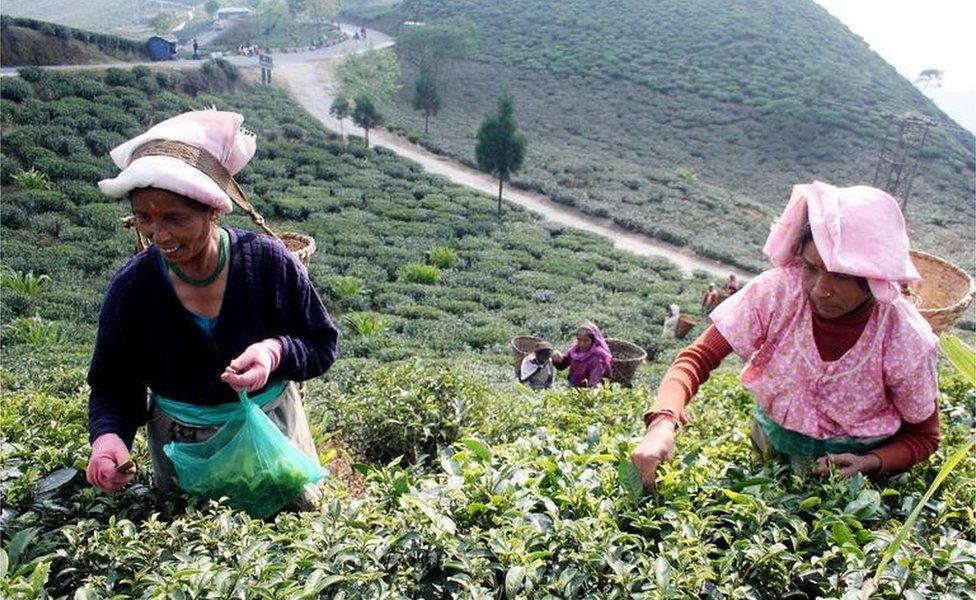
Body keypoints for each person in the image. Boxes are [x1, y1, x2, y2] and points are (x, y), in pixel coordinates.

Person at [85, 110, 339, 510]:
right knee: (197, 555)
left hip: (271, 432)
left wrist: (273, 353)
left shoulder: (268, 263)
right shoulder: (133, 290)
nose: (159, 235)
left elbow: (321, 344)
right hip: (184, 449)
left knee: (289, 541)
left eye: (175, 218)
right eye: (144, 218)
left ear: (213, 211)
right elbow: (112, 385)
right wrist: (107, 440)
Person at [631, 181, 940, 489]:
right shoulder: (778, 293)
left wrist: (871, 462)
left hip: (858, 474)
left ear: (874, 278)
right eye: (810, 267)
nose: (821, 289)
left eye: (842, 276)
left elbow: (924, 437)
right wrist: (662, 422)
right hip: (771, 443)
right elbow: (698, 357)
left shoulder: (906, 337)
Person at [552, 322, 612, 388]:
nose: (582, 344)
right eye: (579, 340)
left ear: (593, 340)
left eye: (586, 340)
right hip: (573, 386)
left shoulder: (598, 356)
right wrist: (558, 359)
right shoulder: (575, 350)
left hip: (587, 391)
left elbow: (594, 383)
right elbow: (563, 365)